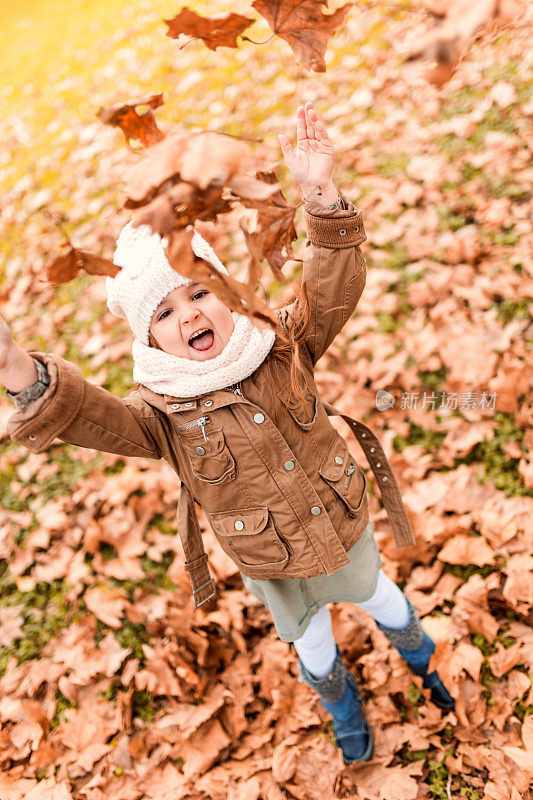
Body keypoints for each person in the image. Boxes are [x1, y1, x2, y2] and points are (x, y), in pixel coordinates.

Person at [1, 102, 454, 765]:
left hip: (337, 519)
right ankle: (339, 702)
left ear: (227, 294)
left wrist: (320, 196)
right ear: (147, 336)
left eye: (198, 294)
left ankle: (422, 657)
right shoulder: (159, 414)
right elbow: (88, 415)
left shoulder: (281, 345)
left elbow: (332, 286)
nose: (187, 315)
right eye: (164, 312)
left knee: (379, 594)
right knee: (313, 641)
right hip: (271, 559)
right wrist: (18, 371)